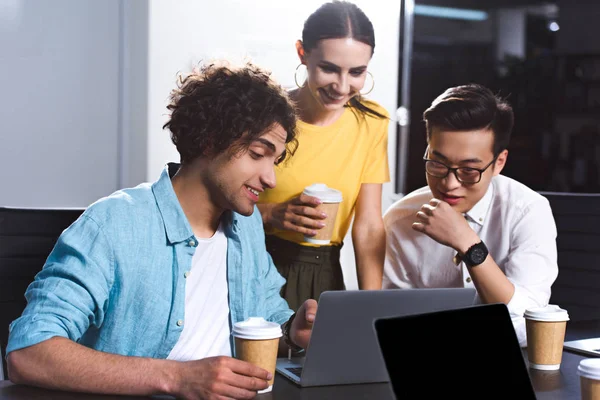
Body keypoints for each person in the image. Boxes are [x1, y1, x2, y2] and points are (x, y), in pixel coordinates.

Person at [7, 62, 317, 400]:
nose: (270, 179)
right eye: (258, 154)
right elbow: (29, 353)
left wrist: (290, 331)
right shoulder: (113, 224)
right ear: (211, 141)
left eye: (275, 160)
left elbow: (263, 313)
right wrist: (179, 378)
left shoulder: (246, 223)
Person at [382, 84, 558, 346]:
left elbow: (529, 321)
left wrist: (469, 244)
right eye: (438, 164)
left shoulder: (529, 211)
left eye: (468, 170)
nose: (450, 184)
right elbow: (391, 321)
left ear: (499, 162)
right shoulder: (400, 220)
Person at [258, 1, 390, 311]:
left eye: (356, 72)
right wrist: (271, 214)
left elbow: (369, 225)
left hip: (324, 275)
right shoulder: (262, 114)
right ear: (302, 53)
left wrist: (373, 309)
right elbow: (213, 206)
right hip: (253, 264)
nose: (342, 86)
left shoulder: (372, 122)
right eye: (329, 68)